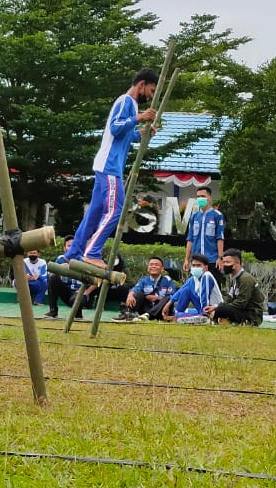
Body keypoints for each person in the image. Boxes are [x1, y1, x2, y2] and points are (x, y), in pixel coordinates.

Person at [63, 68, 159, 268]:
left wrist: (141, 132)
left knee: (94, 214)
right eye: (151, 91)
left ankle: (72, 253)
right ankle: (92, 251)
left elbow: (123, 134)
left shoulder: (130, 105)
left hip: (106, 165)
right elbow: (116, 127)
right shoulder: (126, 101)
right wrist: (139, 118)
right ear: (141, 85)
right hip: (110, 166)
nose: (150, 97)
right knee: (116, 209)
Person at [206, 249, 264, 325]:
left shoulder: (245, 279)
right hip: (240, 311)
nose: (224, 265)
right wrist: (215, 306)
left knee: (219, 311)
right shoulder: (234, 278)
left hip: (251, 315)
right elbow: (229, 299)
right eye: (224, 262)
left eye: (228, 262)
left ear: (237, 263)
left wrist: (219, 309)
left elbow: (241, 303)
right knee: (216, 310)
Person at [113, 257, 175, 322]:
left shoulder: (167, 280)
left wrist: (157, 298)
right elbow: (135, 289)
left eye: (156, 265)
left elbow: (171, 296)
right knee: (137, 294)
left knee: (168, 298)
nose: (153, 266)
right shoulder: (144, 280)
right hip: (146, 310)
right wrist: (130, 295)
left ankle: (148, 315)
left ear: (162, 269)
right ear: (148, 268)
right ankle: (129, 314)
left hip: (161, 311)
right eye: (151, 264)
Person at [165, 254, 222, 325]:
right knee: (186, 290)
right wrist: (168, 304)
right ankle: (177, 314)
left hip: (212, 309)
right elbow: (180, 291)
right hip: (200, 308)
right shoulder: (193, 279)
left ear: (205, 267)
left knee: (181, 316)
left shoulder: (207, 276)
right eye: (193, 265)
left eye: (198, 265)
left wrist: (205, 313)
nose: (195, 267)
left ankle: (179, 317)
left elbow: (205, 297)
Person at [184, 186, 225, 282]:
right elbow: (190, 239)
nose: (200, 199)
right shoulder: (194, 217)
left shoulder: (217, 215)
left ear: (209, 197)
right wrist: (186, 259)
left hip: (212, 260)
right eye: (198, 196)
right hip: (196, 261)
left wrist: (220, 258)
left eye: (203, 196)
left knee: (212, 288)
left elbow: (220, 238)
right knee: (195, 289)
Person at [41, 236, 81, 320]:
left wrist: (86, 291)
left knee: (76, 299)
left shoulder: (83, 260)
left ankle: (78, 314)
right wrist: (60, 268)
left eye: (73, 245)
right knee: (53, 278)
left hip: (79, 291)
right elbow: (50, 275)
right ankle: (53, 311)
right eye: (69, 246)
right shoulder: (60, 259)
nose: (71, 248)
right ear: (64, 248)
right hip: (66, 291)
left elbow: (92, 279)